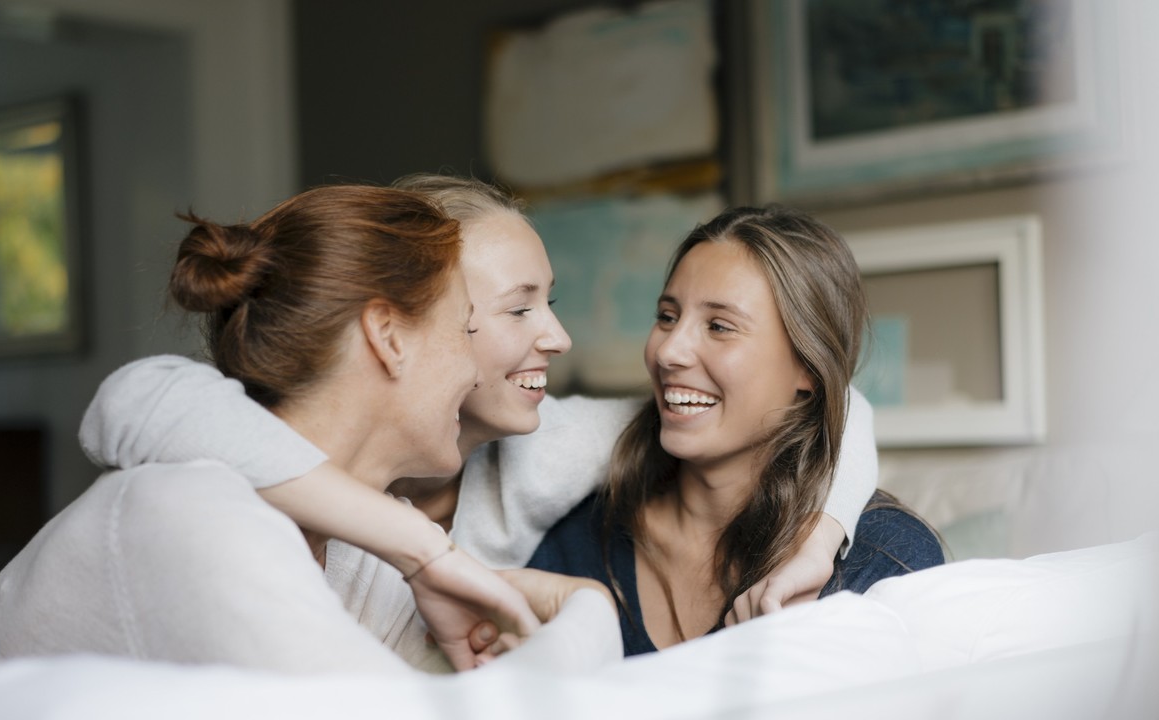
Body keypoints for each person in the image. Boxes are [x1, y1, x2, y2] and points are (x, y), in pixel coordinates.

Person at [78, 175, 881, 669]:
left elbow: (830, 404)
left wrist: (819, 539)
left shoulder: (548, 450)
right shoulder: (223, 484)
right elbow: (138, 399)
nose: (558, 337)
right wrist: (421, 551)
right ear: (398, 329)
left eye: (549, 302)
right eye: (516, 308)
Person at [0, 185, 622, 720]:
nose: (472, 369)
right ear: (387, 336)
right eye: (463, 330)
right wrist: (587, 610)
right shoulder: (189, 513)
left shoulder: (368, 563)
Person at [527, 205, 945, 655]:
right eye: (667, 316)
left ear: (807, 366)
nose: (668, 351)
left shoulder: (883, 559)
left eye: (719, 326)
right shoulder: (579, 539)